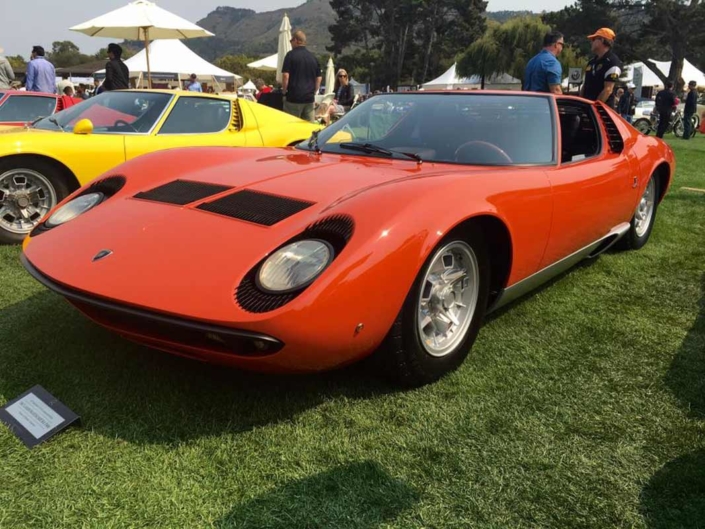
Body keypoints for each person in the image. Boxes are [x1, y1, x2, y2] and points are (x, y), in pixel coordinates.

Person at [281, 30, 322, 122]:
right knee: (308, 129)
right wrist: (314, 91)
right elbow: (319, 78)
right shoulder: (313, 57)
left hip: (293, 98)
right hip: (309, 99)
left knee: (291, 127)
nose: (290, 43)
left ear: (296, 40)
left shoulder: (290, 55)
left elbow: (285, 76)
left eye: (291, 40)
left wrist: (284, 92)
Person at [581, 28, 622, 107]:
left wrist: (594, 107)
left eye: (593, 39)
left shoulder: (612, 62)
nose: (591, 42)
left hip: (601, 110)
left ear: (602, 40)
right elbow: (585, 85)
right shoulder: (592, 62)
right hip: (586, 108)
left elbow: (608, 90)